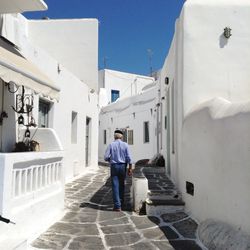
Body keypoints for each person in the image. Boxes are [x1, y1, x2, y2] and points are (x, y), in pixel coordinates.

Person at [104, 129, 132, 211]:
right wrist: (130, 168)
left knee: (115, 185)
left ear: (114, 136)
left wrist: (111, 159)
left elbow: (106, 157)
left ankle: (117, 206)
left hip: (114, 166)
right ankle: (121, 203)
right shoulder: (125, 145)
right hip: (123, 166)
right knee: (122, 184)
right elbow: (129, 158)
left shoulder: (111, 145)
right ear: (122, 137)